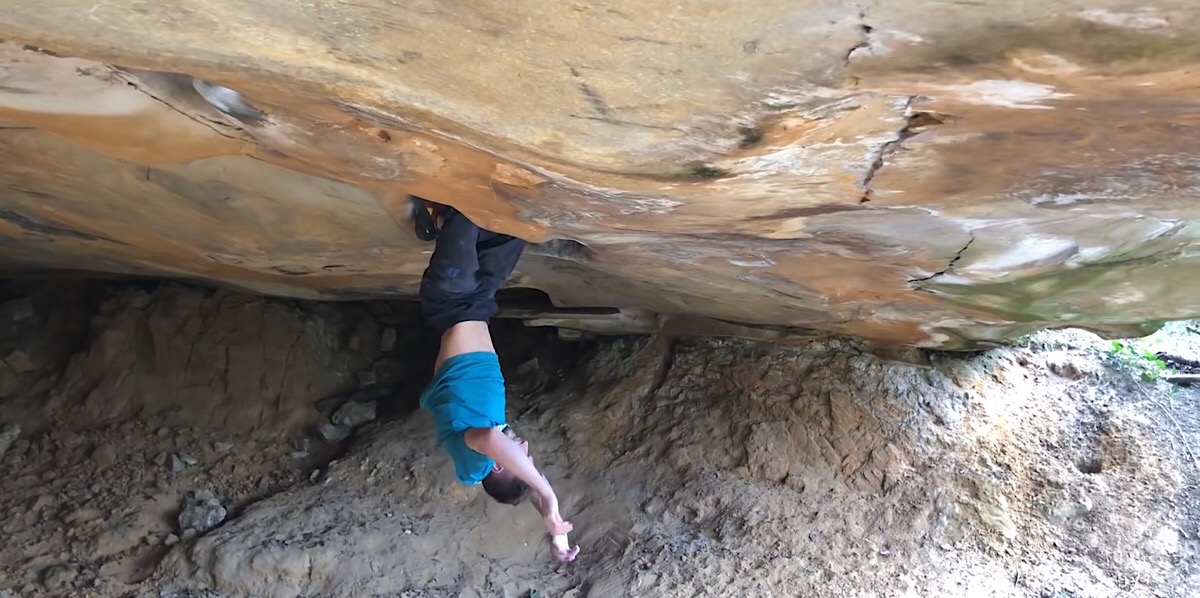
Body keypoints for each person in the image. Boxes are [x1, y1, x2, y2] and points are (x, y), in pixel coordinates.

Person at [415, 200, 581, 563]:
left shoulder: (474, 455)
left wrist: (548, 493)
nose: (524, 445)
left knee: (467, 212)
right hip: (479, 302)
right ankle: (444, 221)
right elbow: (521, 474)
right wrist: (554, 528)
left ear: (499, 465)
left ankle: (438, 220)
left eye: (523, 454)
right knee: (513, 226)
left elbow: (493, 443)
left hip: (450, 302)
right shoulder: (492, 435)